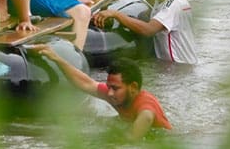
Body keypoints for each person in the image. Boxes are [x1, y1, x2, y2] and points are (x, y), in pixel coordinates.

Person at [31, 45, 172, 140]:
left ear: (133, 87)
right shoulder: (118, 95)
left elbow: (146, 118)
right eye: (108, 86)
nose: (109, 93)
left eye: (115, 88)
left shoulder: (145, 104)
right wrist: (56, 58)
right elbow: (85, 83)